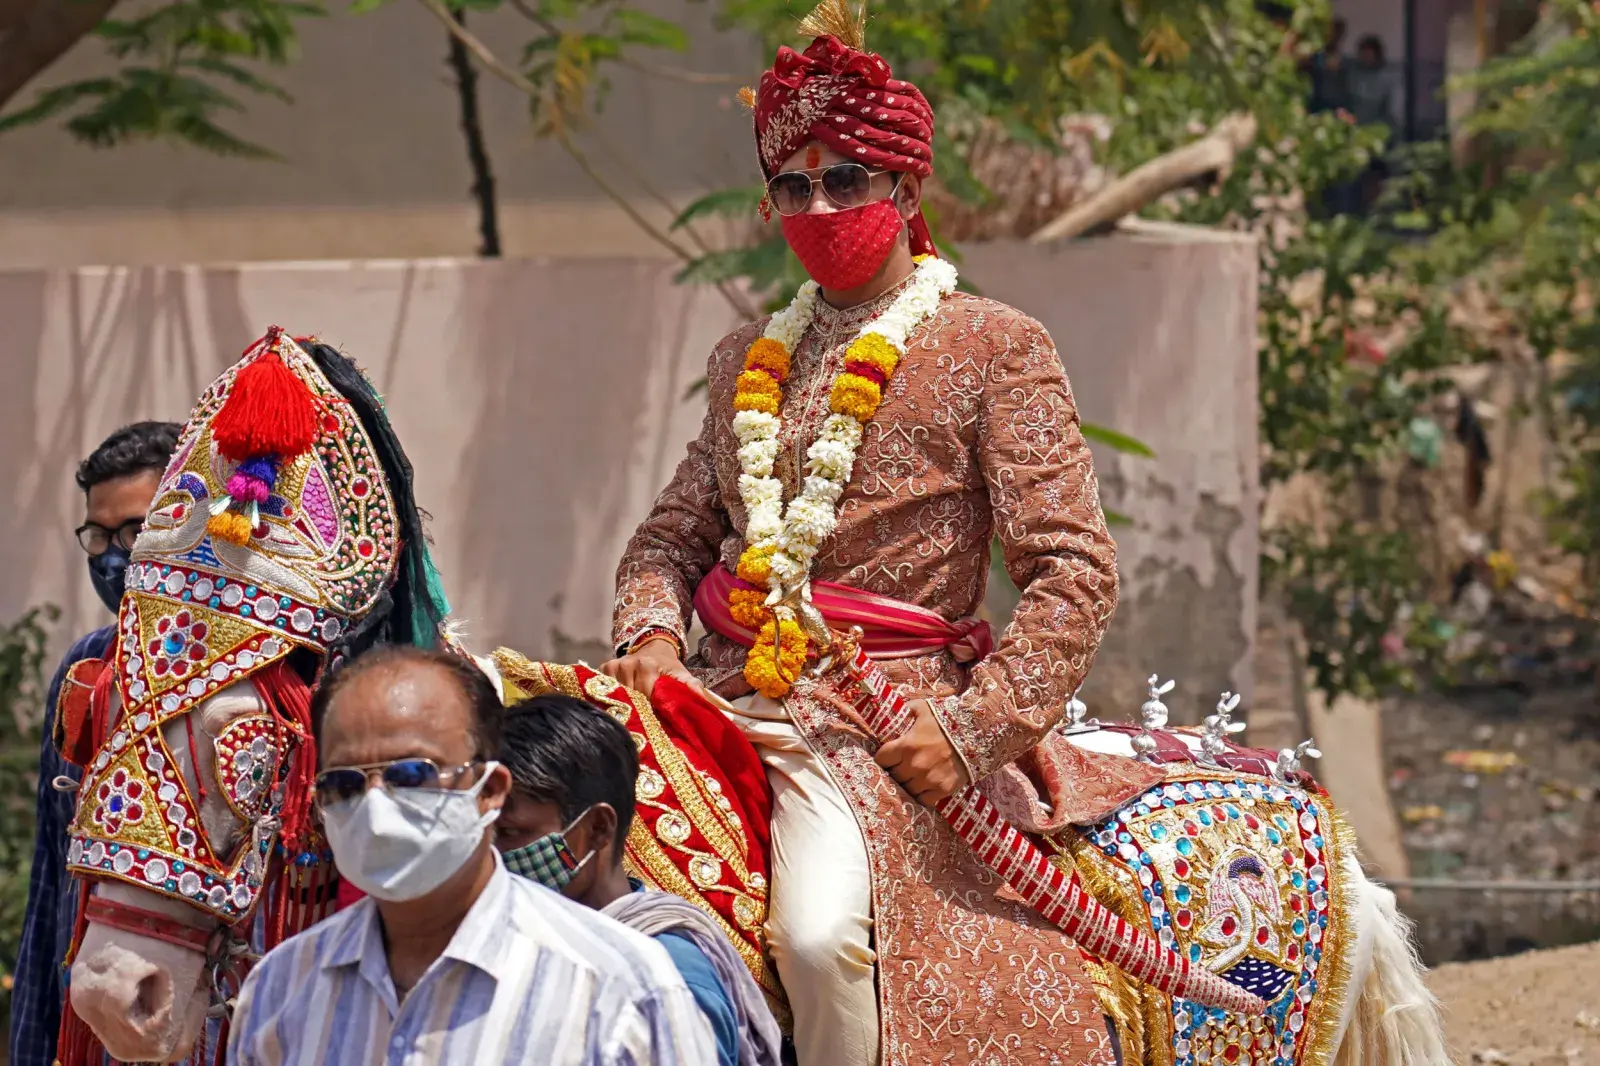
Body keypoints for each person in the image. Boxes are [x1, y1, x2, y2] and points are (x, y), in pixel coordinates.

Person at [603, 3, 1161, 1062]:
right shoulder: (740, 362)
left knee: (814, 937)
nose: (819, 203)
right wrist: (650, 638)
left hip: (878, 720)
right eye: (794, 185)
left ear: (907, 191)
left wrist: (969, 732)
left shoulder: (994, 343)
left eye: (846, 178)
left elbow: (1075, 571)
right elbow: (670, 537)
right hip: (713, 693)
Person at [227, 645, 716, 1066]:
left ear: (490, 791)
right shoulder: (280, 990)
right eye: (344, 783)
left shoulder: (623, 991)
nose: (375, 805)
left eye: (413, 775)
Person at [8, 420, 180, 1066]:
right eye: (99, 535)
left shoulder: (253, 689)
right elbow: (51, 880)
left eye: (135, 532)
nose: (113, 556)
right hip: (85, 1036)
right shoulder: (85, 671)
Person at [493, 691, 784, 1066]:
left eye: (511, 833)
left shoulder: (668, 980)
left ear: (597, 828)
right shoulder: (506, 941)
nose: (490, 853)